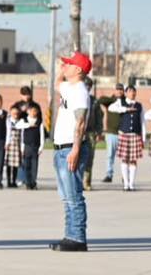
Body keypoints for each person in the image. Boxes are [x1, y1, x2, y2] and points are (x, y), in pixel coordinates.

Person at [49, 50, 94, 252]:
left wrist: (75, 149)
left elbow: (81, 122)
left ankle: (77, 238)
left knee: (74, 196)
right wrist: (61, 68)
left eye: (68, 64)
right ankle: (69, 235)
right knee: (66, 196)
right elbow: (56, 84)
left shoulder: (80, 92)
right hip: (61, 147)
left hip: (71, 147)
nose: (64, 66)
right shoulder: (69, 87)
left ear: (78, 69)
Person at [108, 85, 146, 191]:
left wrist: (143, 138)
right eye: (129, 91)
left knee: (133, 160)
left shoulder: (139, 105)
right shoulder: (121, 102)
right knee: (124, 160)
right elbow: (111, 108)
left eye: (134, 91)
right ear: (126, 93)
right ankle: (125, 184)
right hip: (124, 134)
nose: (132, 93)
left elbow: (143, 122)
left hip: (135, 135)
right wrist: (125, 109)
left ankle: (131, 184)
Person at [96, 81, 125, 184]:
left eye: (121, 89)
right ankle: (109, 174)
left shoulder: (125, 101)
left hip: (123, 133)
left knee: (124, 157)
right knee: (110, 155)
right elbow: (100, 100)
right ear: (115, 90)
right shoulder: (110, 101)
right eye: (117, 89)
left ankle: (124, 176)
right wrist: (113, 99)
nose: (119, 91)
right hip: (111, 133)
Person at [21, 101, 43, 190]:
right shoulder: (24, 121)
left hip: (35, 146)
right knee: (26, 165)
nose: (33, 113)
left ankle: (33, 182)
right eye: (31, 111)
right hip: (26, 146)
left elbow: (42, 135)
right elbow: (22, 134)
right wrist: (22, 147)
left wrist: (41, 147)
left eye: (35, 111)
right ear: (28, 111)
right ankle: (27, 182)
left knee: (34, 166)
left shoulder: (39, 122)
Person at [4, 103, 24, 188]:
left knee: (16, 165)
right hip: (10, 145)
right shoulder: (8, 121)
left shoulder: (20, 122)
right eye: (13, 113)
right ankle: (9, 181)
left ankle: (14, 181)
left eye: (16, 113)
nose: (15, 115)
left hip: (17, 145)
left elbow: (22, 135)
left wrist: (22, 147)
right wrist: (6, 143)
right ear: (11, 113)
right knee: (9, 164)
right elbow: (7, 133)